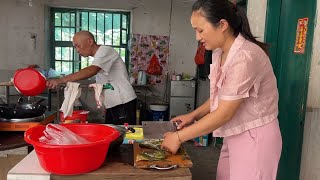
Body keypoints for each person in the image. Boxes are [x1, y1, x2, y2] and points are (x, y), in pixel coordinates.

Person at [161, 0, 282, 179]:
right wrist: (193, 116)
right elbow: (222, 96)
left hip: (255, 136)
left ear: (223, 25)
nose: (197, 37)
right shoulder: (220, 53)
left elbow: (223, 113)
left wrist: (178, 137)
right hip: (234, 132)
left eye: (200, 30)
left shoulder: (245, 57)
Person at [47, 31, 137, 125]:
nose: (77, 50)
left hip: (123, 102)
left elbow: (91, 70)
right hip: (113, 103)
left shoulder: (105, 51)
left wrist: (61, 80)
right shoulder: (98, 57)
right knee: (112, 134)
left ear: (90, 41)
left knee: (124, 134)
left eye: (78, 45)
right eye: (75, 47)